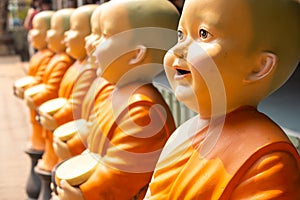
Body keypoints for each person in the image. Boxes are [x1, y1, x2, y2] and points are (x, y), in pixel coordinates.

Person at [146, 0, 300, 199]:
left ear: (259, 67)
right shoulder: (184, 133)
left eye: (203, 34)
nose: (177, 50)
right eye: (180, 35)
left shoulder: (266, 161)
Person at [55, 0, 179, 199]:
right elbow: (98, 139)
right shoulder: (116, 93)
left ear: (136, 54)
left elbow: (120, 175)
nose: (92, 43)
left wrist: (84, 193)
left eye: (104, 35)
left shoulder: (141, 111)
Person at [37, 4, 98, 167]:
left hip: (72, 144)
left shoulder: (89, 71)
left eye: (104, 35)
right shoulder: (75, 65)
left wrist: (55, 118)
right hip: (59, 137)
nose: (66, 36)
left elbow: (76, 108)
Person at [52, 4, 106, 160]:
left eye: (104, 35)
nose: (89, 41)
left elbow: (95, 127)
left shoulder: (90, 73)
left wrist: (71, 144)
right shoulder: (82, 67)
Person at [24, 8, 75, 171]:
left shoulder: (64, 62)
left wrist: (53, 115)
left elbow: (71, 103)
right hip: (48, 124)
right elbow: (42, 81)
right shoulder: (52, 58)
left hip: (62, 130)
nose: (46, 35)